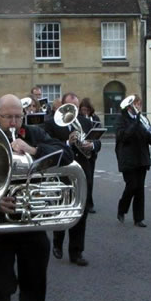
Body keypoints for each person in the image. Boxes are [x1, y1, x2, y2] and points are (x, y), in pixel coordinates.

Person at [0, 94, 73, 301]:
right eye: (8, 117)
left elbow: (66, 153)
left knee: (35, 288)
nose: (13, 122)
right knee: (1, 287)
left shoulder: (34, 132)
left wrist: (32, 150)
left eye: (17, 116)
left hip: (32, 224)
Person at [44, 92, 100, 266]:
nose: (73, 111)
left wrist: (92, 145)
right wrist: (68, 143)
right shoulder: (51, 124)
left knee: (80, 213)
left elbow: (97, 142)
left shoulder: (84, 121)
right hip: (62, 173)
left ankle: (76, 252)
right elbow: (48, 147)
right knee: (62, 210)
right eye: (70, 107)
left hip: (82, 172)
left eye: (75, 108)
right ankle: (58, 241)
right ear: (62, 106)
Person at [115, 95, 151, 228]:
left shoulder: (143, 119)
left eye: (139, 104)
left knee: (140, 188)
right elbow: (123, 136)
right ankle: (122, 208)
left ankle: (138, 218)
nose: (138, 106)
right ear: (129, 106)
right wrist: (135, 123)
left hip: (142, 158)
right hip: (127, 158)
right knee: (132, 185)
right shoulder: (121, 119)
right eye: (136, 104)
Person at [79, 97, 101, 213]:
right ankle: (83, 202)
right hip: (81, 151)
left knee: (90, 178)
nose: (85, 112)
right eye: (83, 110)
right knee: (83, 179)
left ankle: (90, 203)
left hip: (91, 151)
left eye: (87, 110)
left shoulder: (95, 118)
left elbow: (99, 134)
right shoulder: (79, 119)